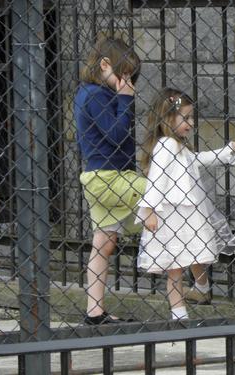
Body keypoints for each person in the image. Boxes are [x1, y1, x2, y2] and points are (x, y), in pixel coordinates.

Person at [137, 87, 235, 320]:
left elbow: (201, 159)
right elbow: (156, 180)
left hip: (188, 212)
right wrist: (148, 210)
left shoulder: (179, 145)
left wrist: (232, 148)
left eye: (191, 117)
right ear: (167, 118)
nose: (191, 122)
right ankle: (179, 314)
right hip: (173, 215)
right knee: (177, 266)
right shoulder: (167, 146)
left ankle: (201, 290)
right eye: (185, 117)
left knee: (194, 254)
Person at [74, 37, 146, 325]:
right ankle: (182, 292)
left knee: (103, 243)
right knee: (166, 197)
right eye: (123, 74)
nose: (127, 82)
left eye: (131, 77)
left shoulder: (94, 93)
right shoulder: (94, 95)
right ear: (104, 65)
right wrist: (126, 99)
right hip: (108, 178)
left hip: (104, 176)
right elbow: (116, 137)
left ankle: (94, 312)